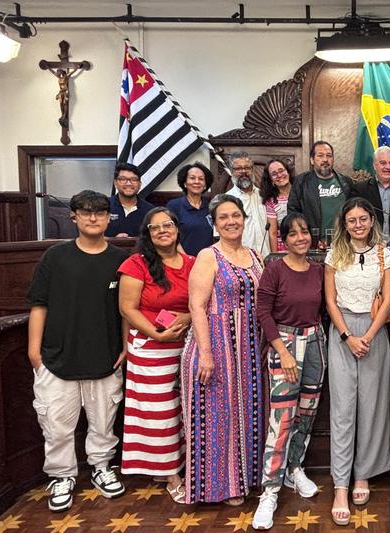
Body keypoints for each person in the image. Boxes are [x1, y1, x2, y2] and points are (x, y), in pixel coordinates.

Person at [27, 190, 129, 512]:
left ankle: (101, 466)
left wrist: (125, 346)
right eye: (85, 212)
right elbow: (39, 304)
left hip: (105, 356)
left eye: (99, 212)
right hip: (57, 358)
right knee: (56, 425)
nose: (92, 218)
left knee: (104, 422)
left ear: (108, 218)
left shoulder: (120, 259)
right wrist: (34, 354)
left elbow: (126, 309)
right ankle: (61, 476)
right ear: (74, 217)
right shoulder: (55, 257)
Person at [180, 194, 266, 505]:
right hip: (216, 345)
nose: (231, 222)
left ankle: (245, 479)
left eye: (235, 215)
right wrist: (205, 353)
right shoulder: (208, 256)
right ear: (215, 224)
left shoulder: (255, 254)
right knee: (218, 418)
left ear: (244, 218)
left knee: (247, 413)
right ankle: (222, 487)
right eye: (223, 217)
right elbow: (197, 306)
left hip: (249, 349)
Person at [252, 213, 327, 529]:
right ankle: (269, 490)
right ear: (283, 239)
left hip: (315, 344)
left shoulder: (319, 270)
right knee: (282, 418)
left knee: (306, 414)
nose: (300, 238)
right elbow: (263, 312)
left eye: (304, 232)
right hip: (285, 344)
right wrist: (282, 352)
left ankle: (294, 468)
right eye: (293, 233)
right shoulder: (274, 269)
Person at [324, 198, 390, 525]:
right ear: (345, 223)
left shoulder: (383, 253)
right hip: (342, 332)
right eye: (352, 220)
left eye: (363, 219)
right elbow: (329, 300)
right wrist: (347, 336)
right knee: (342, 408)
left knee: (371, 404)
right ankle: (341, 484)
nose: (358, 225)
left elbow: (389, 299)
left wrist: (368, 335)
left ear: (371, 220)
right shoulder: (334, 254)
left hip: (374, 330)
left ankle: (363, 473)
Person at [117, 207, 194, 503]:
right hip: (151, 348)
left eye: (168, 225)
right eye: (155, 227)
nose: (163, 230)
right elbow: (127, 308)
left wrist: (187, 317)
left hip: (186, 346)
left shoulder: (193, 262)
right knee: (160, 413)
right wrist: (156, 333)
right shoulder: (136, 264)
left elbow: (203, 303)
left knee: (183, 410)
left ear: (177, 229)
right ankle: (170, 474)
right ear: (147, 234)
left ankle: (182, 463)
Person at [288, 140, 355, 237]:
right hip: (313, 240)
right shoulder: (301, 182)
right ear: (312, 160)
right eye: (320, 155)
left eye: (329, 155)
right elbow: (293, 212)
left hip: (343, 239)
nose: (325, 159)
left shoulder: (346, 182)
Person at [226, 152, 271, 257]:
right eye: (238, 168)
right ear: (232, 172)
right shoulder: (225, 201)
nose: (243, 172)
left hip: (267, 258)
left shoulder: (264, 196)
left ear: (253, 170)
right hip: (240, 260)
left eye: (247, 168)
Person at [167, 162, 214, 256]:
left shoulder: (211, 206)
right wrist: (188, 259)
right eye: (192, 178)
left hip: (208, 260)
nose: (197, 181)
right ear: (185, 183)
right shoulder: (174, 206)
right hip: (183, 259)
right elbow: (170, 236)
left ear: (205, 185)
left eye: (201, 179)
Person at [105, 162, 154, 238]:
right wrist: (112, 240)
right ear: (115, 183)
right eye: (123, 179)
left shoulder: (150, 211)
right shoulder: (104, 206)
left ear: (140, 184)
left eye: (134, 180)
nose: (128, 183)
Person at [261, 158, 295, 253]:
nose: (279, 175)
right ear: (270, 179)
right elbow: (272, 233)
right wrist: (275, 257)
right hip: (283, 251)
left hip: (304, 247)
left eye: (281, 170)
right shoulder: (271, 201)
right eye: (274, 174)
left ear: (288, 172)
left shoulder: (302, 192)